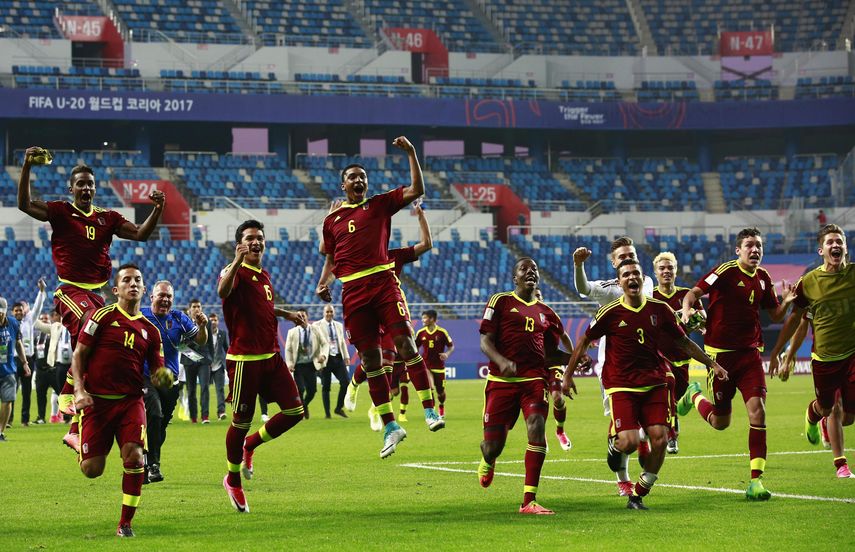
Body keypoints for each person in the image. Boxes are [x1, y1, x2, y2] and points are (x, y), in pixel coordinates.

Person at [17, 147, 165, 452]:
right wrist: (27, 166)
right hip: (71, 290)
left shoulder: (107, 218)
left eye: (90, 184)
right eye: (80, 184)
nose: (86, 188)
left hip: (97, 294)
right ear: (72, 189)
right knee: (92, 323)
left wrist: (158, 210)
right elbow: (24, 204)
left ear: (95, 188)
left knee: (102, 346)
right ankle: (68, 395)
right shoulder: (60, 211)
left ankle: (74, 429)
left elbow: (140, 234)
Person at [564, 259, 727, 510]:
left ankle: (639, 492)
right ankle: (615, 443)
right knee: (628, 443)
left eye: (636, 274)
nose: (632, 278)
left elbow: (684, 342)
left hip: (653, 382)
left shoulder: (659, 309)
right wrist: (567, 376)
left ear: (643, 279)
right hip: (622, 384)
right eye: (626, 274)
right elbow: (584, 341)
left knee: (659, 440)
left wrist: (712, 364)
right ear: (619, 282)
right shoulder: (609, 312)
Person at [317, 137, 442, 459]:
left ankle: (429, 409)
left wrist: (412, 153)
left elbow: (416, 190)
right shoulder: (331, 221)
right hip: (353, 292)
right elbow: (330, 256)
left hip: (383, 283)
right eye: (353, 177)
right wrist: (323, 282)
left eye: (362, 177)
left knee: (406, 346)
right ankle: (390, 426)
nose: (359, 180)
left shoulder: (379, 204)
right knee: (371, 361)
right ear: (343, 184)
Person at [676, 227, 795, 500]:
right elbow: (692, 294)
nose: (755, 250)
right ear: (738, 250)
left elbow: (775, 316)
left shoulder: (764, 278)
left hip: (750, 355)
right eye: (750, 245)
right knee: (721, 422)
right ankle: (693, 395)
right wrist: (686, 311)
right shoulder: (725, 271)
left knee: (758, 412)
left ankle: (756, 481)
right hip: (720, 357)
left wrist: (787, 302)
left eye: (759, 246)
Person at [219, 219, 307, 513]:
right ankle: (232, 479)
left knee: (295, 411)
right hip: (245, 361)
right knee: (240, 423)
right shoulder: (236, 271)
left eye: (259, 238)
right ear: (240, 244)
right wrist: (236, 260)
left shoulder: (263, 274)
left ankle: (250, 445)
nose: (255, 242)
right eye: (249, 238)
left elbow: (265, 307)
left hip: (271, 357)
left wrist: (287, 313)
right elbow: (222, 290)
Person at [71, 263, 165, 537]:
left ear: (144, 289)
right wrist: (79, 390)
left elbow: (157, 369)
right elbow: (79, 355)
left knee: (135, 456)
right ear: (116, 289)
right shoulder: (100, 317)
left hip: (131, 402)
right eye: (127, 280)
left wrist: (162, 378)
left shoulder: (151, 331)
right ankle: (75, 435)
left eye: (138, 280)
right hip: (97, 403)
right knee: (92, 470)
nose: (133, 283)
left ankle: (125, 523)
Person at [477, 257, 569, 515]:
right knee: (493, 446)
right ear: (514, 278)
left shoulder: (547, 313)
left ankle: (529, 500)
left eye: (535, 269)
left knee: (537, 428)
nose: (530, 272)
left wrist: (573, 358)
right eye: (524, 269)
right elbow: (485, 341)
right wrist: (501, 361)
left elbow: (551, 354)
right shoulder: (500, 301)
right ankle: (488, 459)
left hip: (533, 381)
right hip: (501, 383)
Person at [768, 224, 855, 478]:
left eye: (839, 241)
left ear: (846, 248)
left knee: (847, 417)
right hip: (825, 359)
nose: (835, 245)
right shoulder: (809, 283)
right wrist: (780, 354)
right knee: (834, 409)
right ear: (821, 250)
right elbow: (798, 320)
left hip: (852, 355)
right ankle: (841, 465)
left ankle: (813, 412)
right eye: (830, 242)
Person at [573, 236, 655, 496]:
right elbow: (584, 288)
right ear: (613, 263)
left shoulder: (647, 282)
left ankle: (641, 439)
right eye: (622, 257)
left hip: (646, 365)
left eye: (631, 255)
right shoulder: (610, 289)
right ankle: (623, 479)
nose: (628, 259)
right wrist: (578, 265)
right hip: (615, 369)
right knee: (621, 425)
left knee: (647, 424)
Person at [341, 199, 434, 429]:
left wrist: (421, 216)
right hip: (368, 314)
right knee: (370, 361)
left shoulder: (396, 255)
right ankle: (353, 385)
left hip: (389, 314)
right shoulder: (360, 260)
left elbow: (426, 244)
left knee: (388, 366)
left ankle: (376, 410)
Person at [140, 281, 207, 484]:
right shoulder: (140, 315)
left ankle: (144, 461)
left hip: (170, 380)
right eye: (161, 295)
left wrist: (203, 327)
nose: (165, 299)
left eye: (169, 296)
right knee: (154, 413)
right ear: (151, 297)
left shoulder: (179, 318)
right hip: (145, 376)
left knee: (160, 425)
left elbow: (200, 341)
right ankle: (153, 466)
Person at [651, 251, 706, 454]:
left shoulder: (686, 295)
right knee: (665, 392)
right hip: (657, 357)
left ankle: (688, 398)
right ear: (655, 272)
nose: (666, 271)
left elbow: (703, 318)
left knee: (677, 400)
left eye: (670, 268)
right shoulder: (650, 296)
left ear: (676, 271)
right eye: (662, 268)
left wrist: (694, 318)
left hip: (682, 357)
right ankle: (671, 436)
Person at [533, 287, 586, 451]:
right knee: (537, 404)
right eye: (535, 295)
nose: (538, 298)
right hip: (534, 367)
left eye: (539, 295)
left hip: (553, 363)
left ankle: (560, 431)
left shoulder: (550, 315)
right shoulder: (521, 316)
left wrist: (572, 361)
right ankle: (541, 435)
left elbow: (564, 336)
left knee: (558, 397)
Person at [11, 279, 47, 427]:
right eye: (16, 310)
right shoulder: (9, 323)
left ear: (24, 311)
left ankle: (24, 420)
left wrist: (41, 291)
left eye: (20, 310)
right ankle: (8, 420)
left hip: (28, 360)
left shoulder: (29, 321)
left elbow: (38, 307)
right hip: (13, 360)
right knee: (11, 390)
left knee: (26, 391)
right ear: (13, 312)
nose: (19, 312)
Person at [284, 309, 328, 419]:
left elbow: (325, 343)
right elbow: (288, 349)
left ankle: (304, 405)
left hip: (311, 365)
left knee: (312, 391)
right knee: (300, 389)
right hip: (298, 366)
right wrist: (289, 363)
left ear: (307, 317)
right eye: (299, 316)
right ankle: (303, 410)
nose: (301, 318)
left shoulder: (316, 329)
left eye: (303, 316)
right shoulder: (292, 332)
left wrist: (323, 355)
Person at [0, 297, 29, 441]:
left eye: (1, 312)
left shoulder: (13, 323)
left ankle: (0, 432)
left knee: (8, 400)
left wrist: (24, 362)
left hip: (8, 370)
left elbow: (18, 343)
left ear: (5, 312)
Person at [415, 310, 454, 417]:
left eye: (425, 318)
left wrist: (446, 354)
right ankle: (432, 413)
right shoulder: (421, 332)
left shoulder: (442, 332)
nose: (423, 320)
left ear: (432, 319)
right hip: (426, 365)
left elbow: (451, 346)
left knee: (440, 393)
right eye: (422, 318)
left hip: (439, 367)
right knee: (430, 388)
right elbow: (415, 347)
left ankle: (441, 405)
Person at [314, 305, 350, 418]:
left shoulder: (339, 325)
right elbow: (314, 344)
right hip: (325, 358)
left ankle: (338, 408)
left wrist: (346, 356)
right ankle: (327, 414)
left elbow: (342, 342)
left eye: (331, 312)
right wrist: (317, 358)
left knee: (345, 382)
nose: (329, 314)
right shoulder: (317, 325)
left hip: (337, 357)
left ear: (334, 313)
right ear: (323, 313)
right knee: (326, 386)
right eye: (327, 312)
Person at [183, 298, 212, 424]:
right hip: (189, 359)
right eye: (194, 306)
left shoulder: (207, 323)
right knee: (191, 390)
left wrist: (211, 359)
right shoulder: (183, 323)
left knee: (205, 387)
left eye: (198, 306)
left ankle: (205, 416)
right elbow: (179, 343)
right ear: (189, 309)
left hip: (204, 360)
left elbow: (210, 343)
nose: (196, 309)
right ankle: (193, 417)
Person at [204, 313, 229, 421]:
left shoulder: (222, 334)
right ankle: (205, 415)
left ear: (218, 322)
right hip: (207, 366)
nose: (213, 322)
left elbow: (227, 348)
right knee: (205, 390)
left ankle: (221, 412)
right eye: (211, 320)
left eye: (215, 320)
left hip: (219, 366)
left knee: (220, 389)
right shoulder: (204, 334)